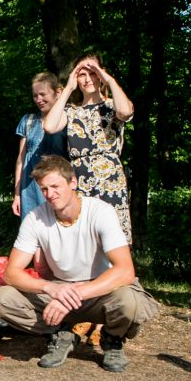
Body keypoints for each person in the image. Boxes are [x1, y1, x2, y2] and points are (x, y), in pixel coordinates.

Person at [0, 156, 158, 372]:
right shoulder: (34, 219)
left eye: (55, 186)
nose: (50, 194)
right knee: (0, 299)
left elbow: (125, 270)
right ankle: (60, 331)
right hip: (58, 289)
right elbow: (11, 273)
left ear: (73, 183)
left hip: (99, 291)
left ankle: (112, 339)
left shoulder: (100, 211)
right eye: (44, 189)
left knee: (129, 302)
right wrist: (51, 288)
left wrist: (74, 295)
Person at [43, 53, 134, 243]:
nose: (87, 79)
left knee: (113, 238)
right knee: (85, 238)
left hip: (110, 180)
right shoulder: (71, 110)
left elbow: (125, 111)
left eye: (92, 73)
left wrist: (107, 78)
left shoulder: (112, 105)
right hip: (81, 179)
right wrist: (68, 88)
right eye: (82, 74)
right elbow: (49, 126)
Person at [13, 71, 68, 219]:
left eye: (43, 94)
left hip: (57, 189)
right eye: (35, 96)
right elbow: (20, 160)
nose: (38, 99)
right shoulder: (28, 121)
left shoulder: (68, 120)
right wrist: (17, 194)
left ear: (58, 93)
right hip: (29, 191)